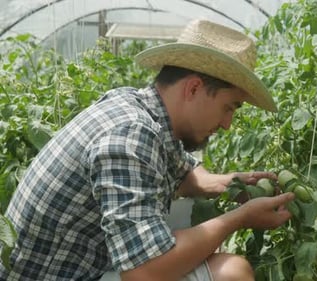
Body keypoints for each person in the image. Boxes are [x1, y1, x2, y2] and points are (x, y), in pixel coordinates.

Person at [0, 19, 295, 281]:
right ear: (193, 89)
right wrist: (240, 217)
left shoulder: (139, 107)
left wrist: (235, 186)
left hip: (79, 267)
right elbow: (145, 272)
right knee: (231, 273)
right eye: (228, 107)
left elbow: (187, 175)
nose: (228, 124)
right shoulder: (131, 135)